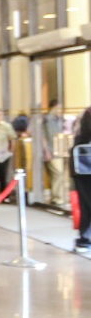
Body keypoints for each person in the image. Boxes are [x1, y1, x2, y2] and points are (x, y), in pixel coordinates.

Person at [72, 108, 91, 253]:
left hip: (83, 166)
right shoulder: (88, 113)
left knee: (86, 204)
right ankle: (85, 239)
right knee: (87, 204)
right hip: (85, 167)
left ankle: (85, 238)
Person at [43, 100, 68, 206]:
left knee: (58, 175)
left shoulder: (60, 120)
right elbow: (43, 137)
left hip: (61, 151)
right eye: (57, 108)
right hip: (51, 151)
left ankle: (56, 197)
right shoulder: (46, 120)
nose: (59, 110)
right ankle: (58, 198)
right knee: (58, 173)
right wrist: (46, 151)